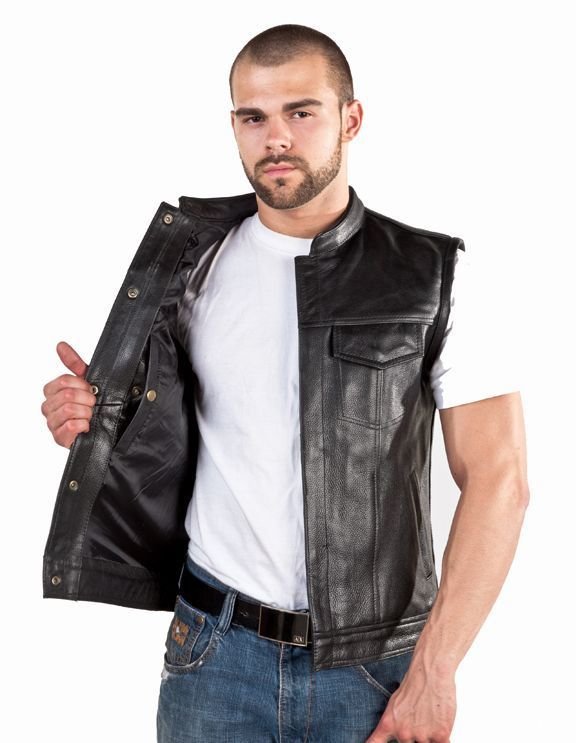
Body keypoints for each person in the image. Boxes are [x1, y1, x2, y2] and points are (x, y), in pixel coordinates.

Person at [41, 23, 529, 743]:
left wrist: (436, 670)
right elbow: (162, 436)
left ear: (350, 119)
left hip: (375, 668)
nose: (276, 138)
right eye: (254, 117)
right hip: (212, 654)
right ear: (234, 126)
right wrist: (91, 421)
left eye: (302, 112)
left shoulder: (435, 273)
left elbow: (499, 480)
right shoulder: (190, 266)